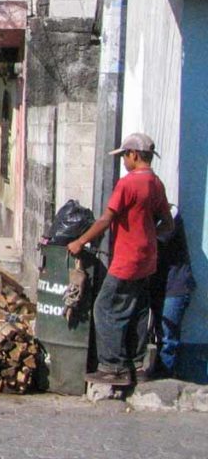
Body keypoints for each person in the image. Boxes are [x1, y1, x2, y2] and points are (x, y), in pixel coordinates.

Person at [68, 132, 174, 386]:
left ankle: (112, 366)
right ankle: (137, 365)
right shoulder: (156, 183)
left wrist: (80, 241)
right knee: (137, 309)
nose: (124, 161)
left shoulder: (128, 184)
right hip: (147, 258)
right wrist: (148, 236)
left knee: (105, 308)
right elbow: (167, 223)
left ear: (134, 155)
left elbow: (106, 219)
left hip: (127, 259)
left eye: (125, 156)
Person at [149, 211, 196, 378]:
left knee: (168, 338)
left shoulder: (171, 214)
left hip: (175, 287)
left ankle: (165, 379)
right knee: (160, 334)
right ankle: (160, 373)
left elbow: (156, 240)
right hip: (158, 286)